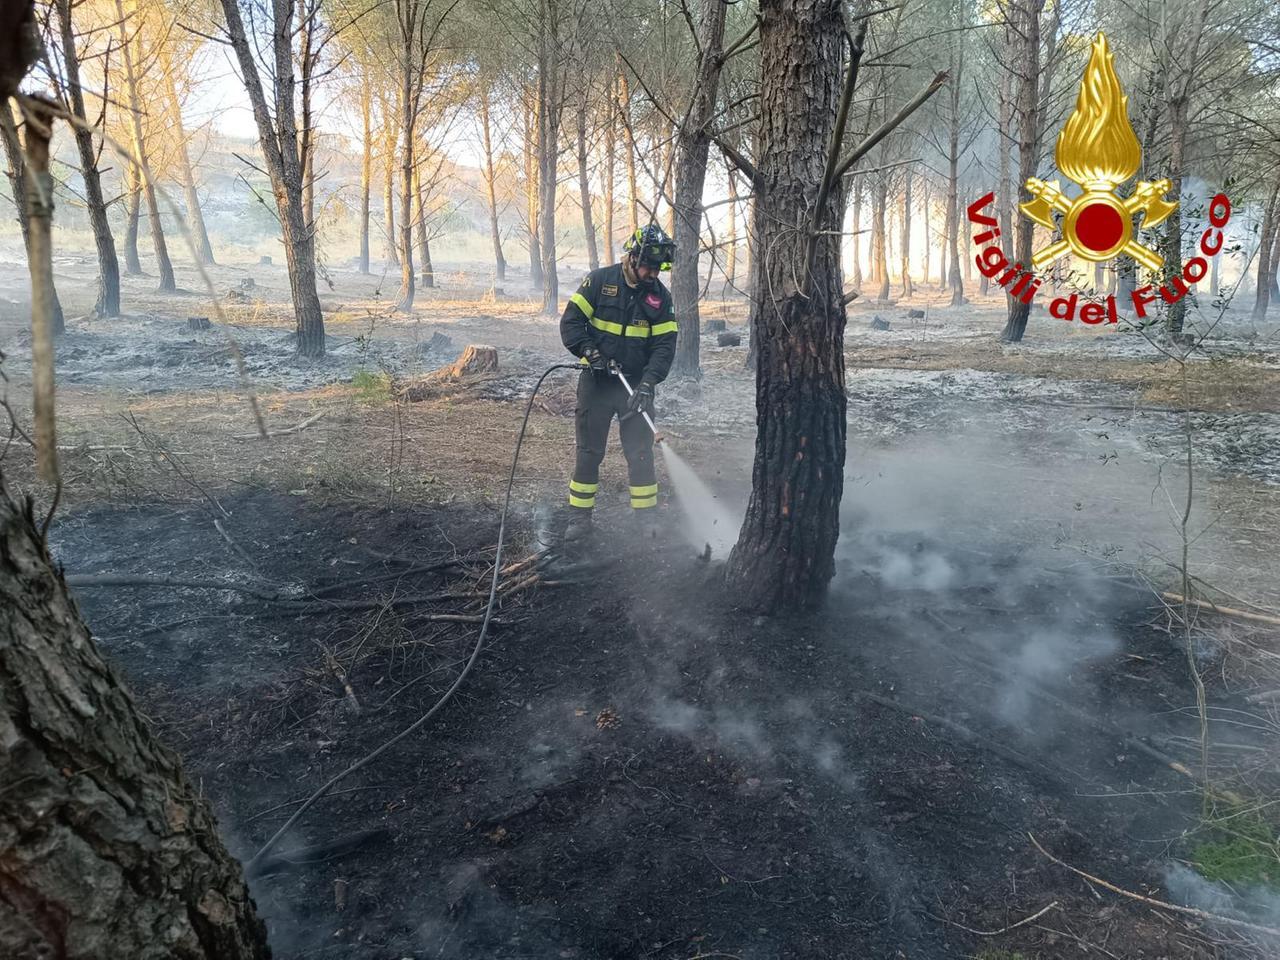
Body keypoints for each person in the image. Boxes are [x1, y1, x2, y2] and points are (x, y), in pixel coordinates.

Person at [559, 224, 678, 541]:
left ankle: (646, 519)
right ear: (634, 256)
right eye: (649, 266)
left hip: (636, 388)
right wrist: (589, 352)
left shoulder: (659, 298)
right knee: (589, 453)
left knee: (640, 453)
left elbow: (665, 347)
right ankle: (579, 520)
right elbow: (571, 323)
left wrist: (649, 384)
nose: (654, 273)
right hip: (597, 385)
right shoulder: (600, 282)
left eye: (659, 268)